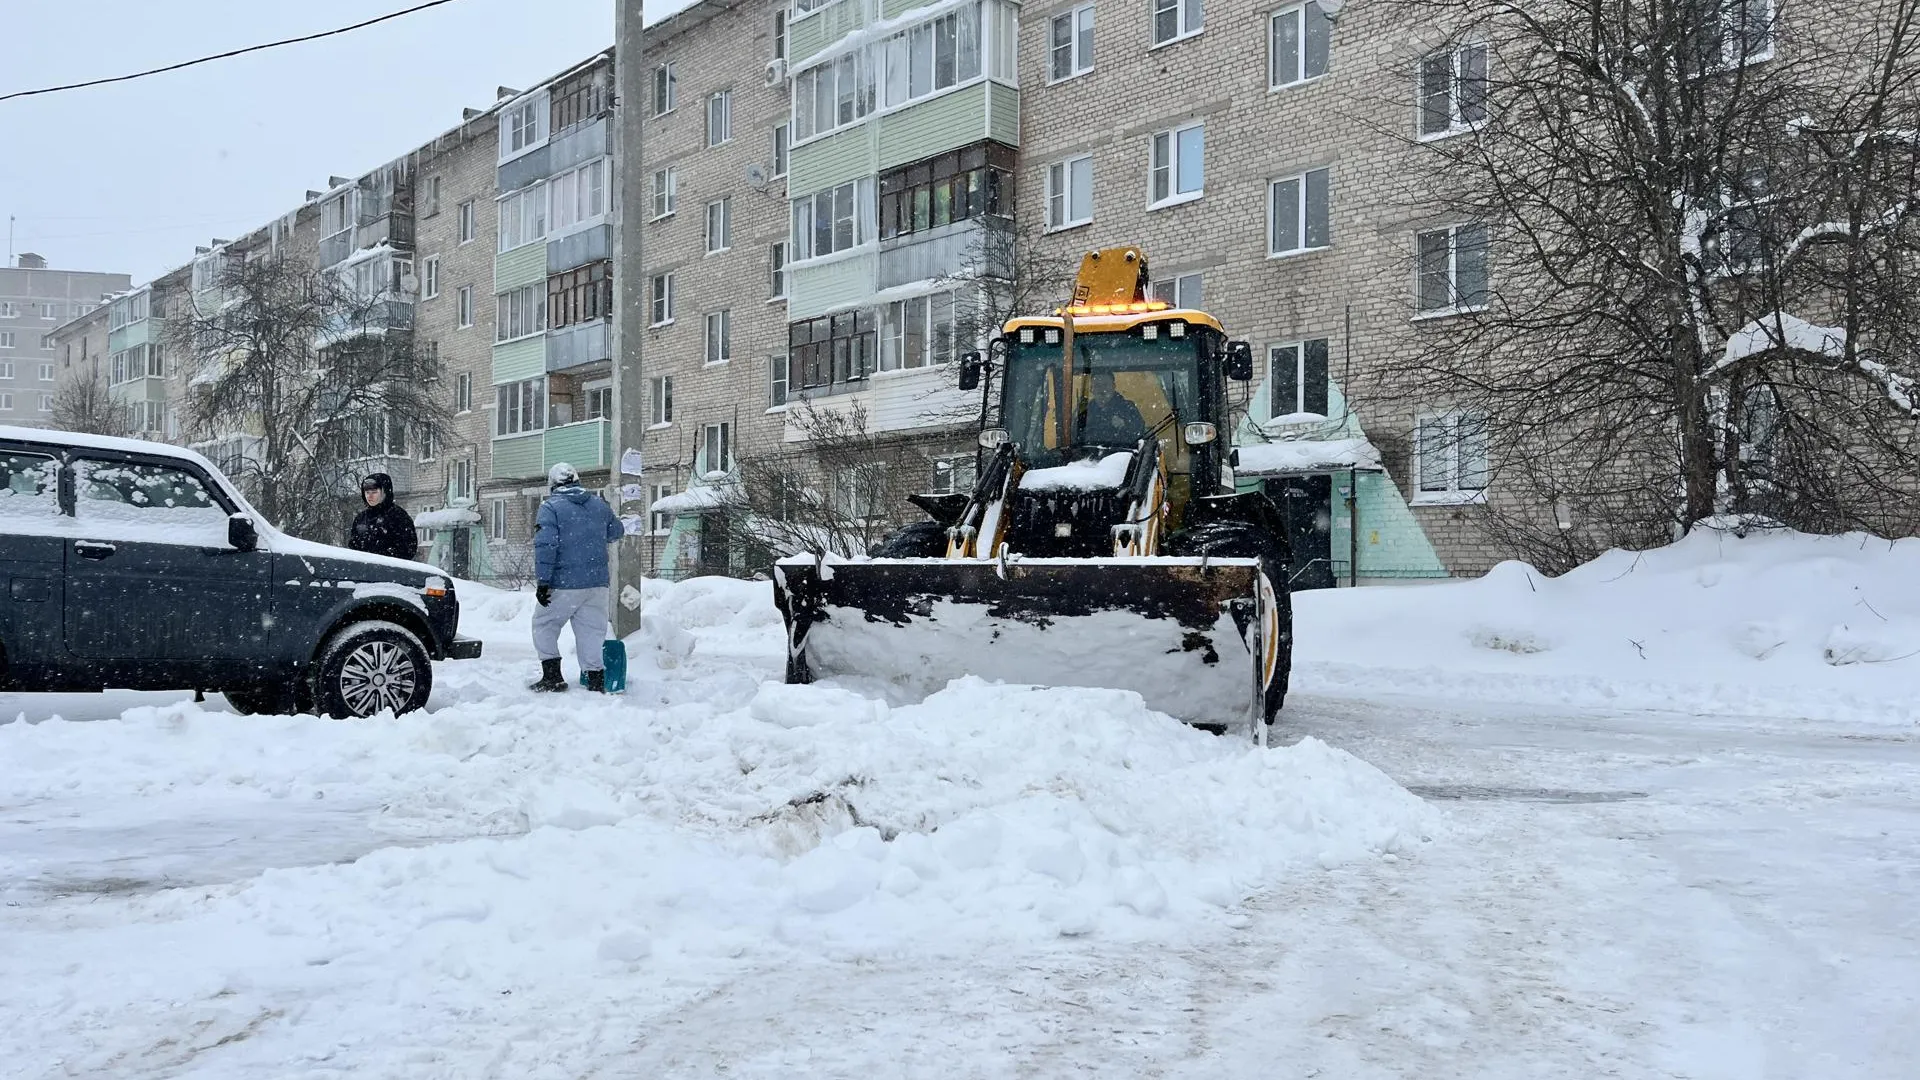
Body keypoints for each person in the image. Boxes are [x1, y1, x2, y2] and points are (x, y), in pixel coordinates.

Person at [529, 461, 624, 693]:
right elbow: (616, 531)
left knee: (544, 624)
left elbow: (546, 545)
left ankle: (552, 676)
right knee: (592, 631)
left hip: (564, 583)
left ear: (552, 484)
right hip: (597, 583)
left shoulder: (550, 507)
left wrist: (543, 582)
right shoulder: (598, 504)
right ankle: (595, 680)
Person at [348, 472, 418, 561]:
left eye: (374, 492)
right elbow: (353, 547)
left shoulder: (398, 516)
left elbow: (408, 549)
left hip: (388, 567)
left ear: (384, 492)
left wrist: (383, 558)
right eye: (367, 492)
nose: (369, 496)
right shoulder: (361, 518)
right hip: (363, 567)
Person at [1080, 370, 1146, 445]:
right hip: (1089, 451)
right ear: (1091, 389)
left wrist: (1125, 425)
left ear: (1113, 386)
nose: (1102, 390)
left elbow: (1140, 433)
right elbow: (1074, 435)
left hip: (1123, 451)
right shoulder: (1085, 411)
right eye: (1097, 385)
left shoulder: (1128, 408)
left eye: (1105, 385)